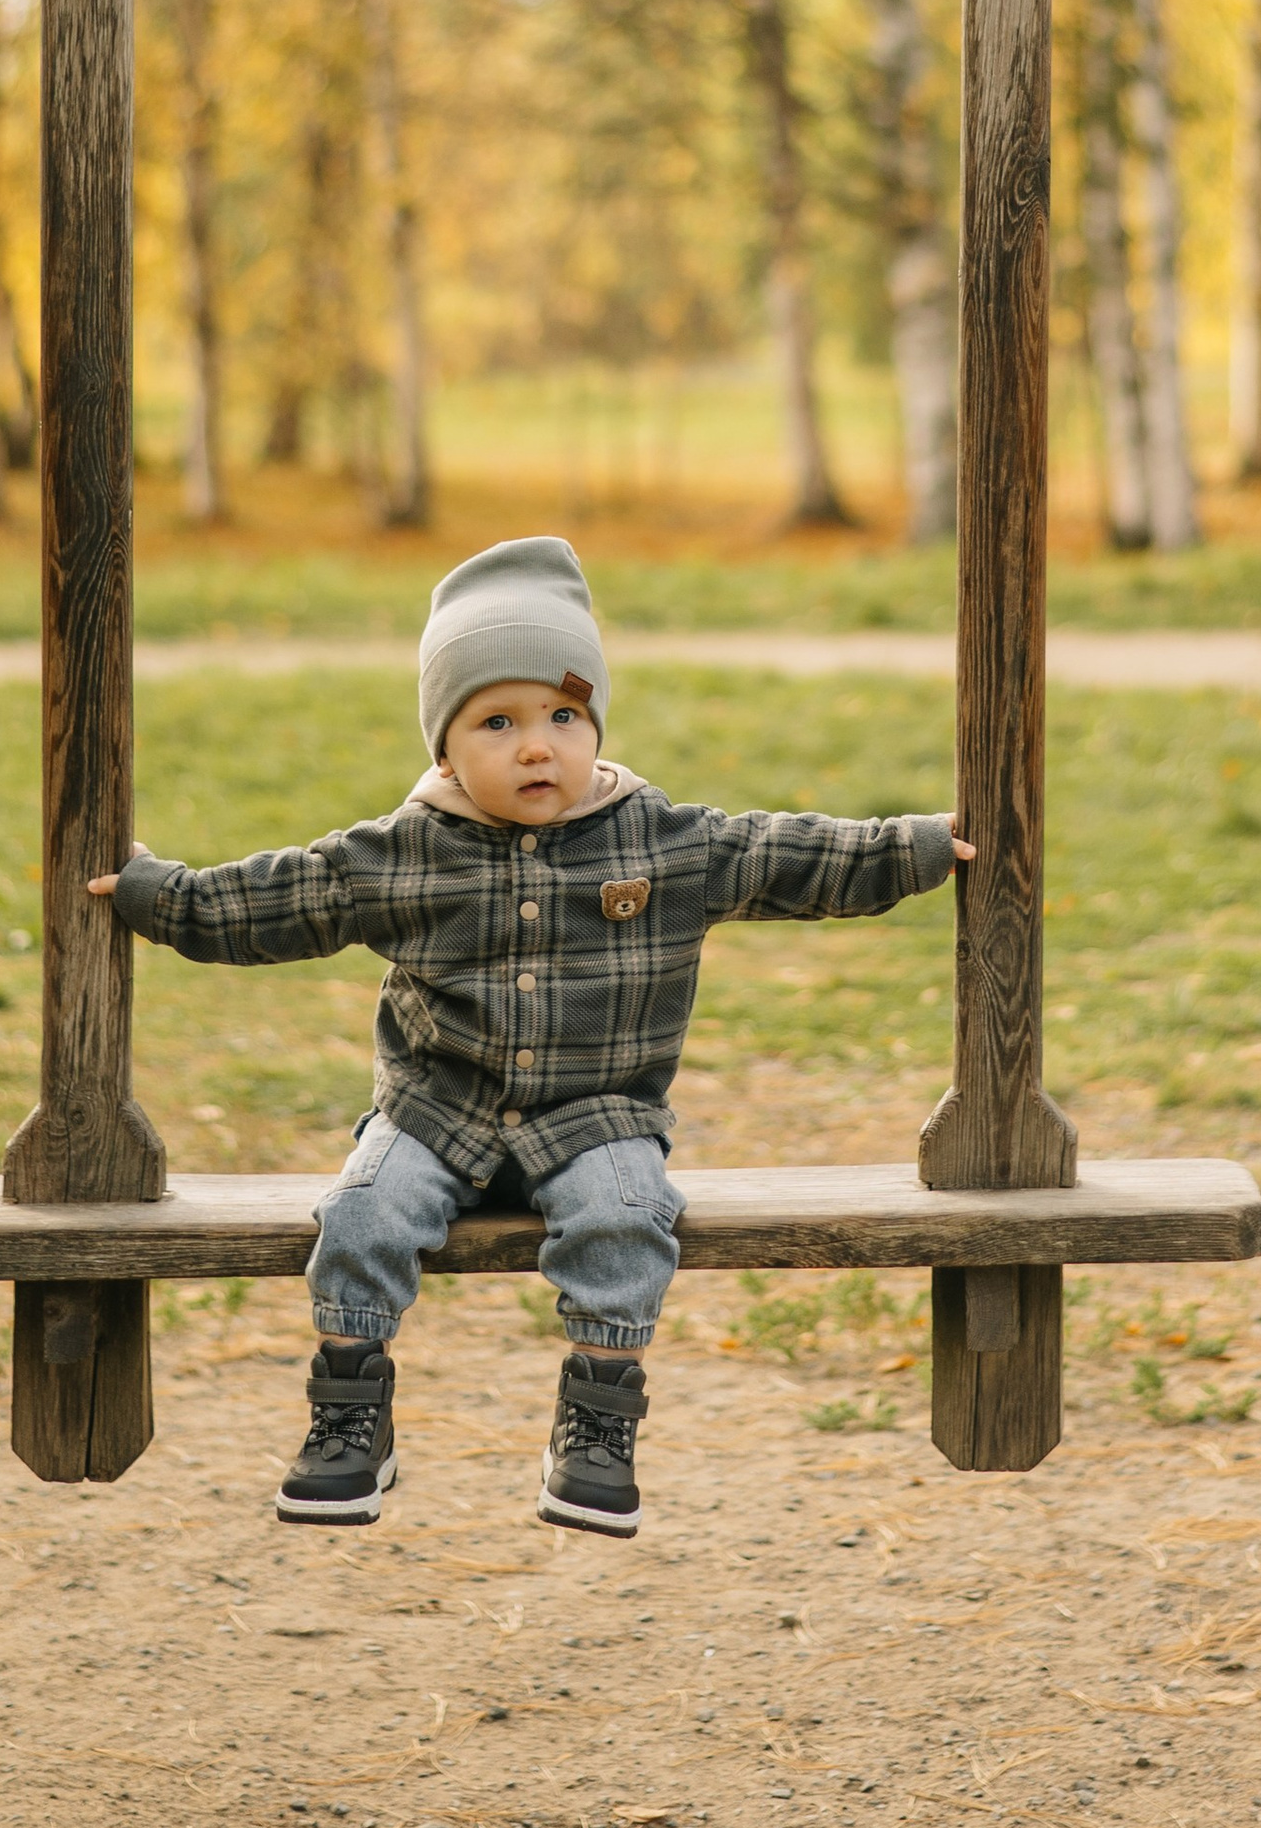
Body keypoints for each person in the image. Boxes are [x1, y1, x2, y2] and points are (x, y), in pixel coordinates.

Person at [91, 534, 967, 1539]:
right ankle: (349, 1422)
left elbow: (793, 857)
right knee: (362, 1214)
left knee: (627, 1216)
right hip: (437, 1110)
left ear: (593, 724)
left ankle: (595, 1427)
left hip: (595, 1117)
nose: (536, 745)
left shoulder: (661, 840)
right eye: (495, 722)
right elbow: (269, 902)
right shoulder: (402, 852)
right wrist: (162, 896)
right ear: (444, 746)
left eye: (561, 715)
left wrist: (917, 846)